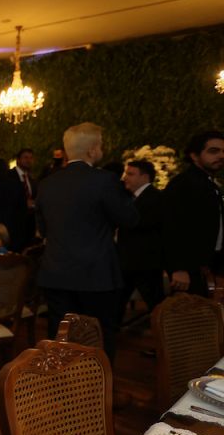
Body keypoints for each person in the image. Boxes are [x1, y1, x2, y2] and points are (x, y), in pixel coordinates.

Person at [36, 123, 138, 360]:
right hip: (96, 273)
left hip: (56, 271)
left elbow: (43, 228)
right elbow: (129, 219)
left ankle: (58, 385)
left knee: (59, 335)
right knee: (99, 337)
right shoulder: (104, 180)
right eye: (100, 144)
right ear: (92, 150)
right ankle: (95, 389)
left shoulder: (47, 183)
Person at [162, 130, 224, 296]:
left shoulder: (208, 183)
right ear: (194, 155)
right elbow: (170, 227)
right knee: (191, 319)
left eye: (223, 151)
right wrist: (178, 268)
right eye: (213, 151)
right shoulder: (183, 184)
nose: (221, 156)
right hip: (189, 271)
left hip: (206, 267)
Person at [117, 160, 165, 314]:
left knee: (157, 307)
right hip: (128, 263)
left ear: (145, 177)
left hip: (146, 264)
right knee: (116, 305)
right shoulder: (130, 197)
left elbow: (141, 225)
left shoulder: (155, 198)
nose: (125, 177)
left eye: (130, 174)